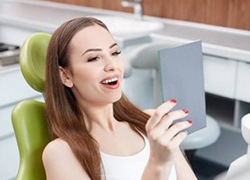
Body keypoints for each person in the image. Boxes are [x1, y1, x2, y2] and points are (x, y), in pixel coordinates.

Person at [42, 17, 197, 180]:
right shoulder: (60, 153)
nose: (112, 65)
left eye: (114, 53)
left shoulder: (150, 122)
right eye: (94, 58)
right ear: (65, 75)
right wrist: (158, 164)